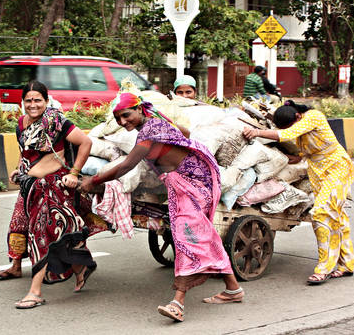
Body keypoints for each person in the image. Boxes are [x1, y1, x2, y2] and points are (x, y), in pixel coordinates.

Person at [79, 92, 244, 322]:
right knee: (204, 234)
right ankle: (233, 289)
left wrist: (93, 180)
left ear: (139, 109)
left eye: (126, 115)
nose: (123, 122)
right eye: (118, 119)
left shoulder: (150, 130)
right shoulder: (155, 124)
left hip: (192, 184)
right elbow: (184, 133)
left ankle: (178, 302)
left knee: (186, 237)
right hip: (184, 182)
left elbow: (127, 165)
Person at [2, 80, 96, 309]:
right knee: (24, 224)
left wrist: (74, 173)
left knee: (42, 235)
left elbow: (86, 142)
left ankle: (35, 292)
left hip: (54, 185)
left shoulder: (56, 121)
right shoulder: (22, 123)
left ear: (46, 101)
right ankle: (80, 266)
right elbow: (25, 152)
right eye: (28, 100)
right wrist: (19, 169)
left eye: (38, 100)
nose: (33, 105)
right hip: (31, 185)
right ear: (22, 102)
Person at [242, 100, 354, 285]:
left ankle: (324, 268)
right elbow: (309, 145)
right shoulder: (300, 122)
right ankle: (346, 264)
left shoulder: (314, 117)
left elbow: (287, 134)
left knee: (321, 213)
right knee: (337, 215)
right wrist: (297, 157)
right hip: (317, 171)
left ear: (297, 116)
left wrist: (257, 132)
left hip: (337, 167)